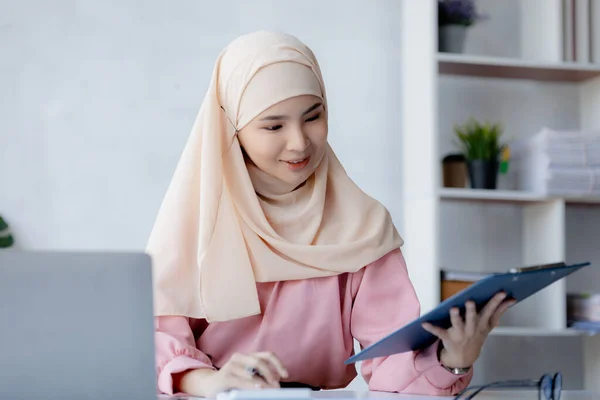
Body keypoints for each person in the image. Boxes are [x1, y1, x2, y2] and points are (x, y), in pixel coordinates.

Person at [146, 31, 515, 398]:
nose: (299, 142)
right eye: (273, 125)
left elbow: (393, 365)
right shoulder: (194, 223)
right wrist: (208, 381)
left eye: (313, 116)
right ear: (232, 130)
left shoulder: (363, 227)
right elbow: (153, 341)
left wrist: (454, 358)